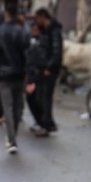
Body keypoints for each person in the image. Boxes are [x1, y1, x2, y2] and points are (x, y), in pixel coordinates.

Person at [0, 6, 28, 152]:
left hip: (3, 75)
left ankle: (11, 139)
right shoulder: (23, 32)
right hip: (19, 74)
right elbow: (28, 54)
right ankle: (12, 136)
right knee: (17, 107)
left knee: (8, 107)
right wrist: (29, 74)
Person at [26, 8, 61, 136]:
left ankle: (46, 126)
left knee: (45, 99)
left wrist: (49, 68)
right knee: (37, 97)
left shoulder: (54, 31)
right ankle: (43, 123)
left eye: (37, 19)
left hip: (49, 71)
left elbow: (56, 52)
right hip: (41, 71)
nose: (36, 22)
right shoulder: (45, 31)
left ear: (43, 17)